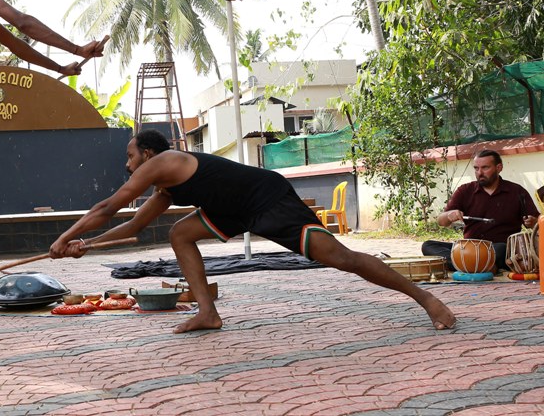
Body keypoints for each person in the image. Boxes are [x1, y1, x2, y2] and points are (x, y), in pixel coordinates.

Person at [49, 129, 455, 334]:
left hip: (266, 199)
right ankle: (208, 313)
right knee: (180, 234)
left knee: (341, 259)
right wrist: (87, 244)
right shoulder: (164, 184)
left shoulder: (165, 161)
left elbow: (109, 206)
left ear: (149, 155)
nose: (127, 163)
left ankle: (427, 299)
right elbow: (136, 225)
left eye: (130, 155)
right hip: (229, 211)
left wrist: (65, 238)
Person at [422, 149, 539, 270]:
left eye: (485, 168)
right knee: (428, 246)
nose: (479, 173)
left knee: (502, 249)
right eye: (476, 168)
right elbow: (441, 221)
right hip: (469, 249)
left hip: (500, 248)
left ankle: (466, 265)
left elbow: (536, 225)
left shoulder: (516, 191)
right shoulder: (465, 190)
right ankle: (477, 266)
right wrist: (449, 215)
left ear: (499, 168)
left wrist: (533, 222)